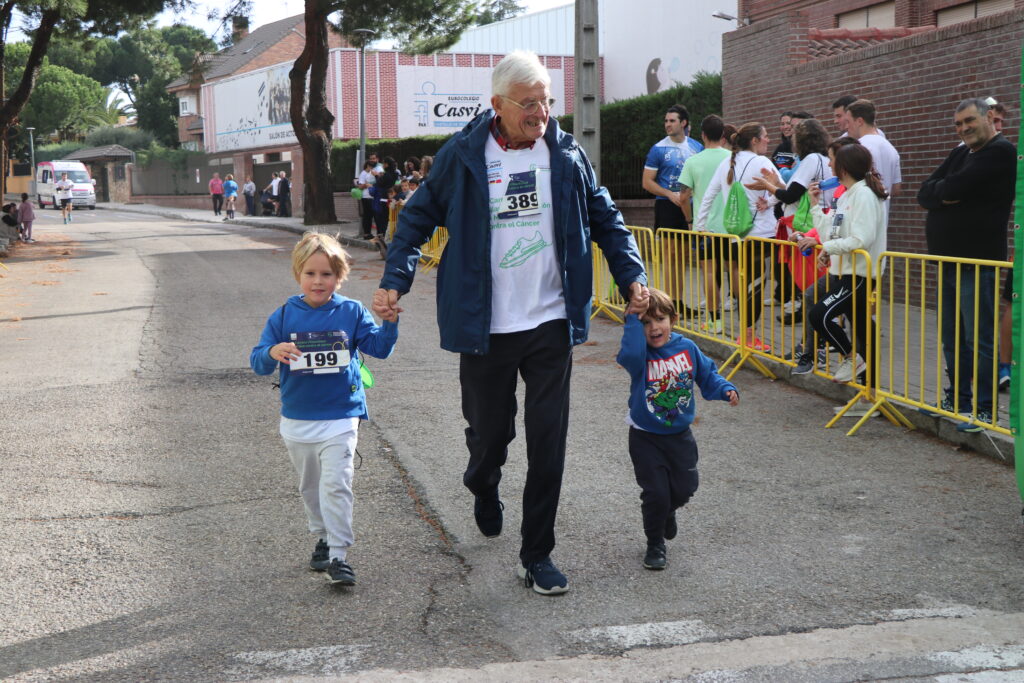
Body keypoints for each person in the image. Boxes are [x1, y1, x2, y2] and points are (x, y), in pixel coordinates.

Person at [372, 50, 648, 596]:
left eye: (546, 100)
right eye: (529, 103)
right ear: (497, 105)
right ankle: (482, 481)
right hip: (486, 326)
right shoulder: (463, 155)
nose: (541, 112)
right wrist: (394, 281)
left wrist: (630, 274)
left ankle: (537, 554)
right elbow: (417, 220)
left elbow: (605, 217)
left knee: (550, 442)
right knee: (490, 434)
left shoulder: (565, 153)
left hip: (550, 321)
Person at [250, 232, 399, 586]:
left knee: (337, 483)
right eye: (311, 274)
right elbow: (258, 361)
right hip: (298, 418)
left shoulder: (351, 311)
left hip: (341, 414)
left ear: (339, 276)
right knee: (311, 486)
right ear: (298, 274)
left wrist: (389, 321)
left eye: (327, 274)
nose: (319, 281)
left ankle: (339, 555)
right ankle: (321, 535)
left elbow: (379, 348)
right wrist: (273, 353)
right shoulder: (285, 314)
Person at [617, 287, 738, 570]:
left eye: (659, 319)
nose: (653, 327)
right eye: (646, 322)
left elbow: (708, 376)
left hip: (679, 436)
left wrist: (726, 389)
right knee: (656, 492)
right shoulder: (639, 355)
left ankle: (668, 510)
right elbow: (629, 352)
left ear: (674, 319)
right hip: (645, 436)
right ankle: (655, 543)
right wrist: (632, 319)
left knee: (685, 489)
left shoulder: (687, 348)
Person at [917, 97, 1016, 432]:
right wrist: (945, 195)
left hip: (977, 263)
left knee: (981, 340)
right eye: (958, 124)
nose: (964, 129)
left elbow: (954, 186)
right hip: (947, 262)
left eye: (969, 121)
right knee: (951, 337)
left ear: (989, 117)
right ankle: (956, 400)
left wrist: (944, 194)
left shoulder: (1000, 152)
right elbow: (924, 192)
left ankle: (985, 409)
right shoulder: (961, 152)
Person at [806, 142, 888, 384]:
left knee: (819, 314)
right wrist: (815, 206)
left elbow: (862, 239)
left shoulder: (863, 194)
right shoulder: (846, 195)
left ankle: (852, 359)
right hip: (845, 272)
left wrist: (829, 248)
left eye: (832, 160)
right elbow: (831, 235)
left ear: (843, 167)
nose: (829, 164)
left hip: (860, 275)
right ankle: (867, 393)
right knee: (862, 330)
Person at [694, 122, 777, 351]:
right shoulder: (762, 162)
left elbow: (708, 196)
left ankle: (745, 334)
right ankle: (750, 337)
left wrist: (700, 226)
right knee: (756, 286)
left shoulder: (726, 163)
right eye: (766, 136)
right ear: (754, 140)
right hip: (761, 235)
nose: (768, 140)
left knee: (745, 284)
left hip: (735, 234)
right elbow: (784, 190)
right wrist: (768, 202)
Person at [745, 118, 832, 324]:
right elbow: (793, 190)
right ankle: (816, 319)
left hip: (809, 225)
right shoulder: (824, 158)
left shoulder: (810, 159)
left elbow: (791, 195)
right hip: (822, 221)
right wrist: (775, 187)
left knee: (811, 279)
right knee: (819, 278)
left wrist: (769, 187)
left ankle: (818, 328)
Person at [678, 115, 733, 333]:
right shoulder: (733, 157)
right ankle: (748, 325)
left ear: (702, 135)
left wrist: (690, 221)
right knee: (736, 270)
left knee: (709, 273)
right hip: (732, 227)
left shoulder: (693, 161)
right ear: (723, 135)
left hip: (704, 228)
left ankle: (714, 321)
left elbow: (683, 197)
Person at [642, 104, 703, 232]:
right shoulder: (657, 149)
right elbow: (647, 183)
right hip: (666, 205)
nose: (667, 124)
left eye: (672, 121)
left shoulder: (697, 147)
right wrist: (668, 194)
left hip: (691, 204)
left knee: (688, 251)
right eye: (666, 121)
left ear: (683, 123)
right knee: (670, 251)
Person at [373, 157, 399, 238]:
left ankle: (384, 235)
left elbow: (379, 183)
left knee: (383, 217)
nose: (383, 165)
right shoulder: (395, 173)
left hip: (384, 197)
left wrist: (377, 176)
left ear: (387, 164)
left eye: (384, 163)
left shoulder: (387, 174)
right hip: (392, 196)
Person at [356, 160, 377, 239]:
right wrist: (368, 185)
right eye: (371, 167)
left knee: (370, 215)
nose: (372, 168)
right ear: (367, 166)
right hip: (366, 196)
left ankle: (368, 233)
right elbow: (360, 186)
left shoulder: (369, 173)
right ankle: (367, 233)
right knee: (367, 215)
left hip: (371, 196)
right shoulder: (363, 174)